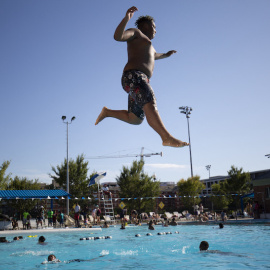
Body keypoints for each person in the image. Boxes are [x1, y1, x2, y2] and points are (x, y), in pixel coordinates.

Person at [95, 6, 189, 148]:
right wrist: (127, 18)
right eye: (154, 27)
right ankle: (166, 137)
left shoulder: (149, 46)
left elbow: (154, 56)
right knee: (150, 101)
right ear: (147, 25)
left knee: (135, 119)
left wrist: (166, 55)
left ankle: (107, 112)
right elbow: (118, 36)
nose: (156, 31)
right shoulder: (136, 33)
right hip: (134, 76)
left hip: (138, 80)